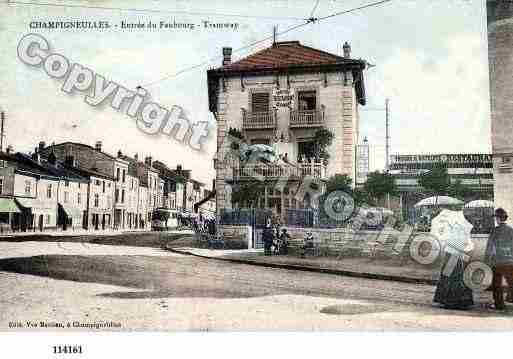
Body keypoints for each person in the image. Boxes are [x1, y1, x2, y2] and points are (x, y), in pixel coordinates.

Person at [433, 210, 475, 310]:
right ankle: (461, 300)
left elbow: (448, 242)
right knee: (458, 277)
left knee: (450, 277)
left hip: (453, 254)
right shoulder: (464, 229)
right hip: (458, 255)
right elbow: (467, 244)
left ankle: (449, 300)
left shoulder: (454, 229)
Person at [485, 208, 513, 310]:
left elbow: (490, 247)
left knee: (497, 283)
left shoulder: (494, 231)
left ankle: (499, 304)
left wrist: (486, 260)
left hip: (497, 261)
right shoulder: (511, 230)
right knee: (511, 281)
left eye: (496, 217)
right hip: (510, 260)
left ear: (498, 218)